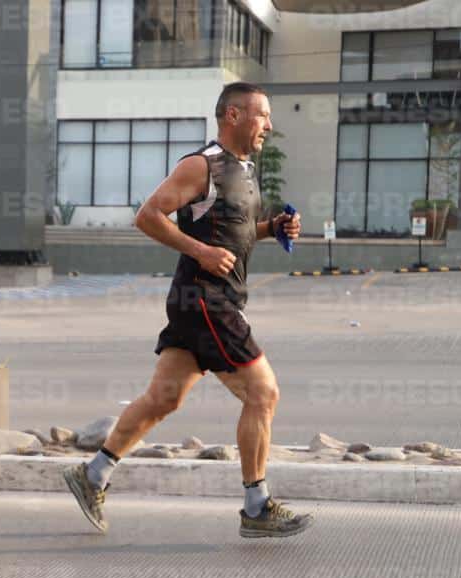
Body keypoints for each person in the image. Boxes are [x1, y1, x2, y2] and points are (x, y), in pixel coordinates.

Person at [64, 82, 313, 539]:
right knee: (263, 394)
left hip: (199, 299)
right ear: (233, 115)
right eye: (263, 115)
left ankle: (92, 474)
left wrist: (270, 227)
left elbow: (232, 233)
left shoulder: (244, 169)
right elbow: (148, 215)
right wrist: (200, 252)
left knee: (164, 399)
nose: (269, 126)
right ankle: (256, 506)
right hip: (205, 298)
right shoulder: (203, 165)